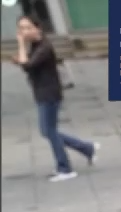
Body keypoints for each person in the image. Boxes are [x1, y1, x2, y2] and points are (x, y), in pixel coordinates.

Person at [12, 15, 98, 182]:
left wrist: (21, 45)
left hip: (49, 93)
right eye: (21, 28)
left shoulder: (44, 46)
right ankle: (86, 148)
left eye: (28, 28)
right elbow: (29, 66)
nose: (24, 32)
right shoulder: (35, 45)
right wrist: (21, 59)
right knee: (48, 131)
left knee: (49, 131)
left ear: (38, 28)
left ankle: (65, 168)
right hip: (43, 92)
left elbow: (28, 66)